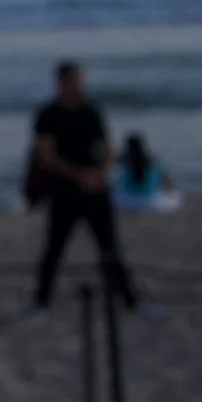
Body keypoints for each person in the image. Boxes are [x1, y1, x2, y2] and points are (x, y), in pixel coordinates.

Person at [28, 62, 141, 314]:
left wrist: (101, 173)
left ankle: (129, 300)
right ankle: (41, 302)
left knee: (110, 248)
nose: (79, 85)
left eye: (80, 80)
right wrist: (79, 175)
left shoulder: (91, 110)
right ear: (61, 82)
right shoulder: (48, 114)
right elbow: (45, 155)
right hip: (64, 191)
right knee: (54, 249)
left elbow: (108, 145)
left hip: (96, 189)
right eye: (74, 80)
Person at [112, 133, 179, 213]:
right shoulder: (153, 160)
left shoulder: (124, 160)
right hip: (150, 199)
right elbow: (164, 179)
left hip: (127, 199)